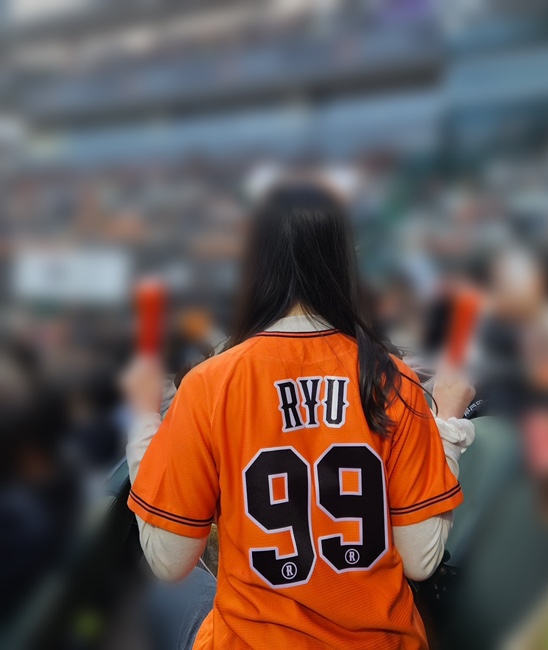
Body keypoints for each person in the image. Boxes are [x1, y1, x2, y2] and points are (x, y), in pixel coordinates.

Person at [122, 182, 475, 650]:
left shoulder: (208, 385)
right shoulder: (393, 379)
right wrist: (447, 419)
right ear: (343, 262)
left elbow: (169, 561)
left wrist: (143, 418)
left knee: (165, 596)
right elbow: (421, 561)